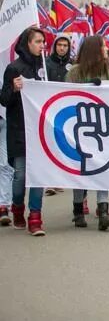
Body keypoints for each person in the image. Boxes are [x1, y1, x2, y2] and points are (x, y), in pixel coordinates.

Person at [65, 35, 109, 230]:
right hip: (80, 126)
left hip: (102, 126)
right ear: (95, 50)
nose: (107, 49)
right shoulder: (75, 72)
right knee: (82, 170)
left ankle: (103, 209)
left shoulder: (108, 69)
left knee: (101, 168)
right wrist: (87, 88)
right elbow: (66, 96)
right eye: (103, 47)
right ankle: (78, 209)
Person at [0, 27, 48, 236]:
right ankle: (17, 207)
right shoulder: (14, 68)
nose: (42, 45)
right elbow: (4, 99)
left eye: (43, 42)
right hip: (19, 130)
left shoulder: (45, 67)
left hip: (41, 131)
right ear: (27, 43)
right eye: (38, 41)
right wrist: (13, 88)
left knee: (38, 175)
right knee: (19, 177)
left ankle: (35, 217)